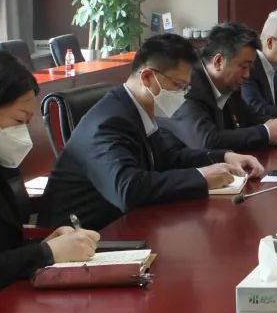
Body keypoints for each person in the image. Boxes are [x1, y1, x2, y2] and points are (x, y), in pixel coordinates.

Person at [39, 35, 265, 230]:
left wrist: (224, 156)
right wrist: (201, 177)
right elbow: (128, 189)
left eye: (186, 87)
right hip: (80, 239)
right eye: (178, 86)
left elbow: (168, 157)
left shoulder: (136, 108)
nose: (183, 95)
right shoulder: (109, 122)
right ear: (147, 77)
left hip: (121, 226)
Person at [0, 52, 100, 312]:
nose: (23, 133)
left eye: (26, 123)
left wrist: (46, 244)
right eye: (17, 121)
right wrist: (46, 253)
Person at [160, 23, 277, 151]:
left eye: (250, 68)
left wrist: (274, 123)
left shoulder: (228, 83)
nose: (247, 75)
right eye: (243, 67)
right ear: (218, 61)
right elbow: (206, 141)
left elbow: (247, 117)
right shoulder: (186, 85)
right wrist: (266, 131)